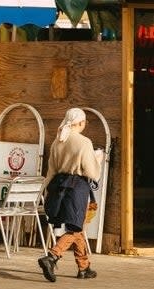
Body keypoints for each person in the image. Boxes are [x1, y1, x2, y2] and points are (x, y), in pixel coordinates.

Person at [38, 108, 104, 282]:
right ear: (80, 122)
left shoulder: (58, 141)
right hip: (76, 188)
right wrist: (97, 159)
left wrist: (45, 189)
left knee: (78, 226)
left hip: (59, 186)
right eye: (85, 123)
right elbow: (90, 171)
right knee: (75, 228)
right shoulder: (84, 142)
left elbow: (51, 170)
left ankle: (84, 267)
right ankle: (52, 256)